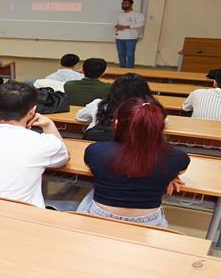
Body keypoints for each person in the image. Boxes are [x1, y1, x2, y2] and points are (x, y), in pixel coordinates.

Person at [76, 97, 189, 228]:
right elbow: (178, 168)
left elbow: (95, 168)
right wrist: (171, 175)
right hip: (149, 222)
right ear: (160, 128)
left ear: (117, 123)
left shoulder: (95, 151)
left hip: (100, 217)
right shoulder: (177, 157)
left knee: (93, 191)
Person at [0, 82, 70, 208]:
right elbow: (64, 157)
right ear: (32, 111)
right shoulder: (42, 143)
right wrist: (49, 125)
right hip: (21, 219)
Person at [76, 73, 154, 141]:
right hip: (131, 149)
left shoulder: (98, 104)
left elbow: (79, 117)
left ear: (114, 89)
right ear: (144, 92)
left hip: (98, 144)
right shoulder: (148, 109)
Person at [114, 0, 145, 68]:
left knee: (130, 54)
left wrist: (126, 27)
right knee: (121, 54)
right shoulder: (119, 15)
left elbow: (141, 24)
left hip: (131, 38)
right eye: (122, 4)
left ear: (131, 4)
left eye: (125, 3)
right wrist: (117, 26)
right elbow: (115, 23)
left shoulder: (137, 14)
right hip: (119, 38)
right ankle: (122, 68)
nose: (123, 5)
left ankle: (130, 69)